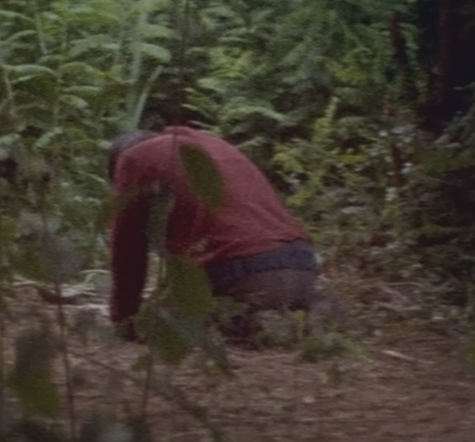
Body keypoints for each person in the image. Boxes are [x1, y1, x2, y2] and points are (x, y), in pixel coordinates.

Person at [106, 127, 319, 342]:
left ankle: (251, 323)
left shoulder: (132, 158)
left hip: (242, 271)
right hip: (303, 263)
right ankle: (310, 311)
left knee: (157, 321)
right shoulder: (210, 145)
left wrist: (124, 319)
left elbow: (127, 247)